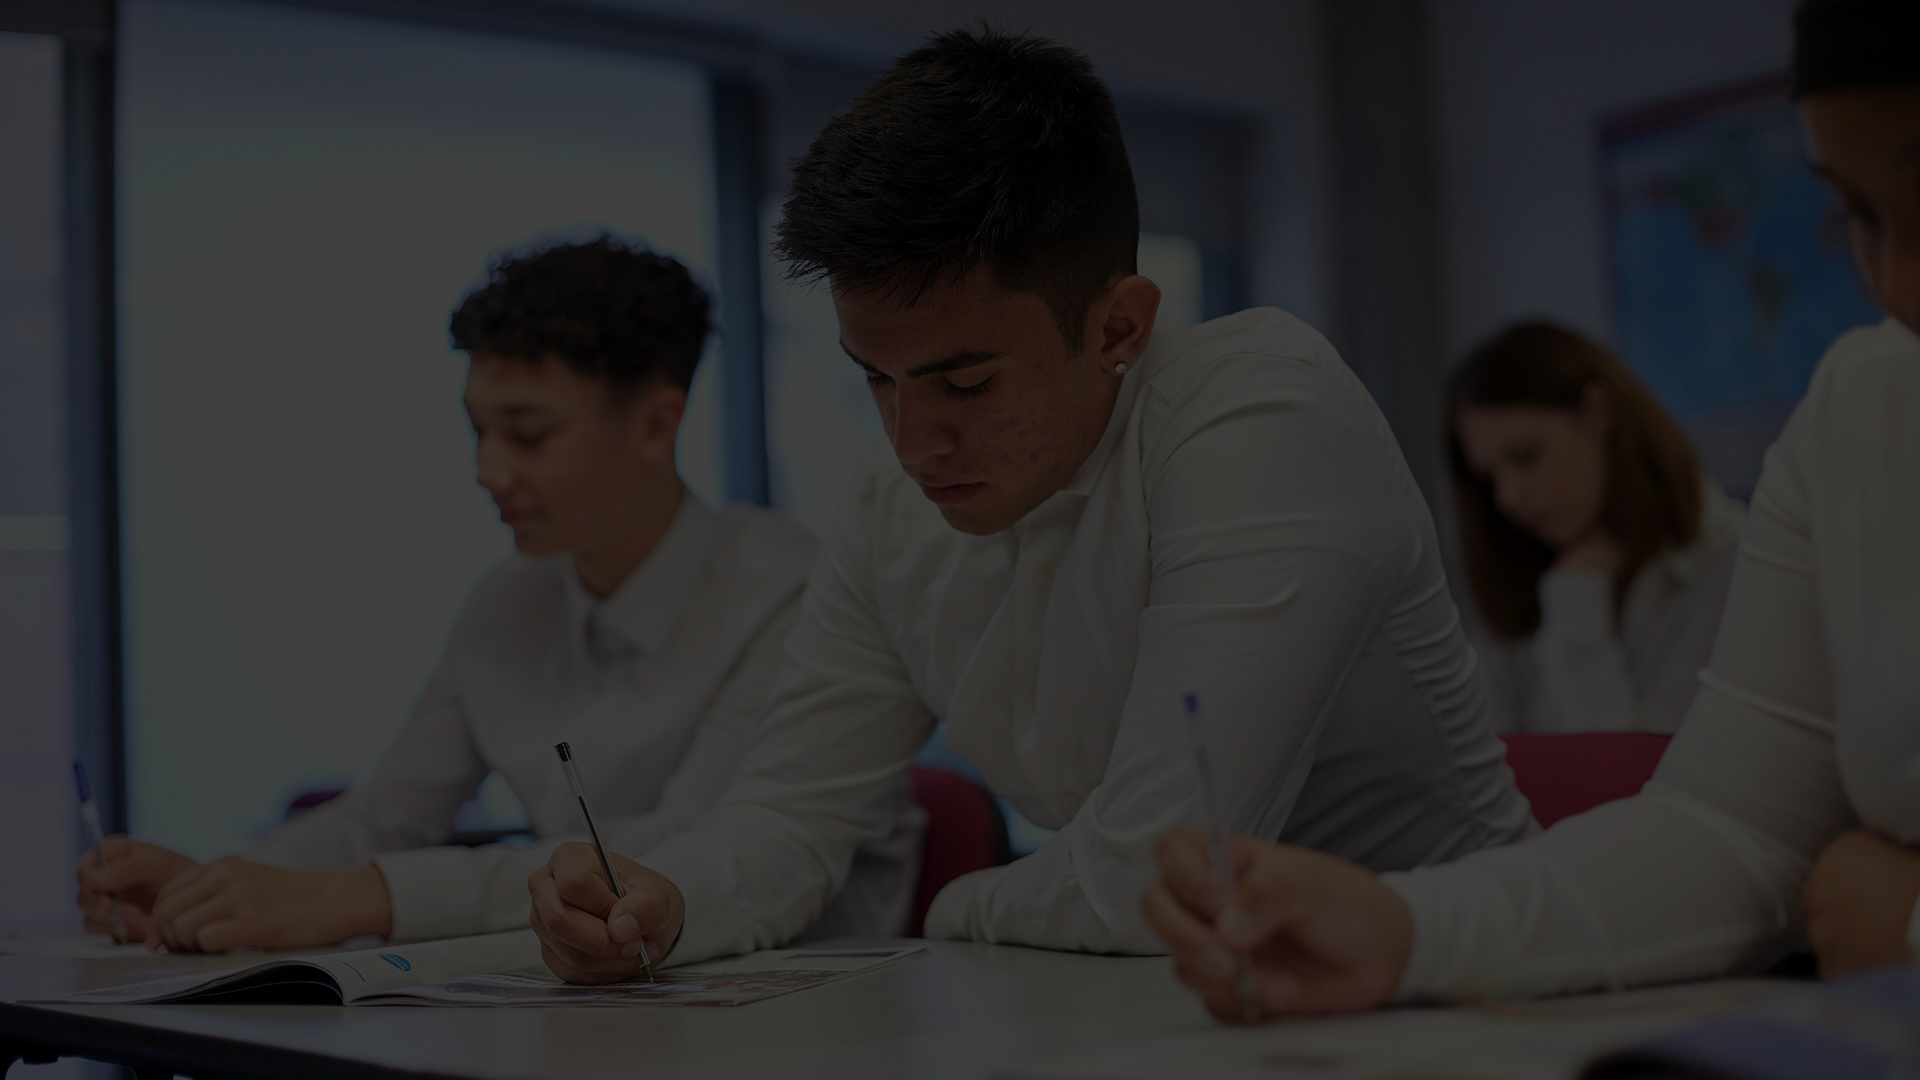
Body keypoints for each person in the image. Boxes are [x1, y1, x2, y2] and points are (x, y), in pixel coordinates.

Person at [522, 27, 1534, 984]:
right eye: (875, 379)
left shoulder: (1262, 412)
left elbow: (1159, 878)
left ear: (1121, 327)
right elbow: (791, 814)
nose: (914, 445)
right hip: (1173, 1012)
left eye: (966, 386)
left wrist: (960, 905)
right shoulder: (890, 506)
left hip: (1476, 1004)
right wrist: (671, 898)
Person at [1144, 0, 1920, 1021]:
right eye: (1857, 215)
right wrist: (1407, 930)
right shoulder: (1860, 412)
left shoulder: (1717, 545)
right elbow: (1731, 831)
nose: (1897, 283)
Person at [75, 237, 914, 951]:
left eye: (528, 433)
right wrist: (216, 885)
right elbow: (385, 817)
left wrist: (358, 898)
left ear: (658, 424)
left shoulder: (788, 590)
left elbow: (681, 853)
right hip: (585, 999)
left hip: (796, 1013)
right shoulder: (508, 600)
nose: (489, 472)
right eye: (478, 430)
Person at [1448, 323, 1743, 733]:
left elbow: (1628, 779)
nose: (1507, 498)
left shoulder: (1736, 564)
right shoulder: (1521, 579)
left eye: (1525, 457)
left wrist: (1574, 600)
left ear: (1598, 413)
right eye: (1489, 479)